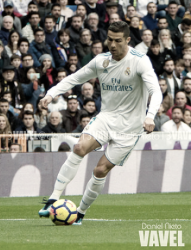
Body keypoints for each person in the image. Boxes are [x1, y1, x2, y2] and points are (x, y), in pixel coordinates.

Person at [38, 21, 162, 224]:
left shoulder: (140, 61)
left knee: (99, 170)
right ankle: (53, 198)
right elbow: (74, 78)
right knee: (79, 147)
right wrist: (51, 94)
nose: (112, 45)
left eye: (117, 41)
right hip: (106, 117)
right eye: (109, 40)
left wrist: (150, 116)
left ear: (128, 40)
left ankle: (80, 212)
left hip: (130, 128)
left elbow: (156, 91)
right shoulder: (101, 61)